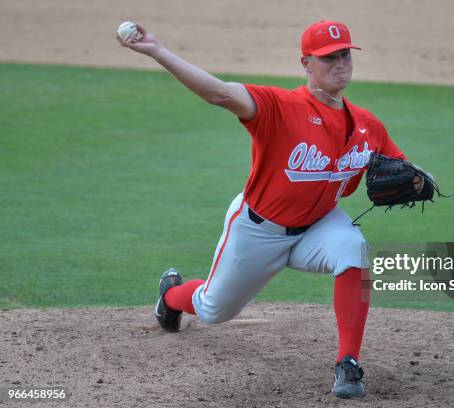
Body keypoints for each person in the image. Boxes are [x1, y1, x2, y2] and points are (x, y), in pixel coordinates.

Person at [118, 19, 423, 399]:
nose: (339, 63)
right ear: (306, 64)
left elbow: (407, 169)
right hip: (258, 230)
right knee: (213, 310)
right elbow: (219, 93)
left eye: (344, 54)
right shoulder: (280, 107)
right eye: (328, 57)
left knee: (353, 250)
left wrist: (417, 181)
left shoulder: (367, 125)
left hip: (318, 226)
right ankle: (170, 295)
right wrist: (158, 51)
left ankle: (348, 364)